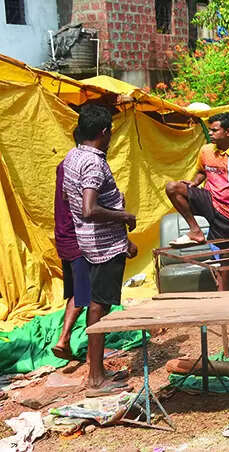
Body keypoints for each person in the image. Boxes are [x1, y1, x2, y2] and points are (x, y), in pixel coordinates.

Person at [62, 104, 138, 396]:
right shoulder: (93, 163)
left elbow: (73, 201)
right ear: (104, 132)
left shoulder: (73, 156)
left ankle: (98, 371)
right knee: (99, 307)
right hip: (104, 247)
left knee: (95, 303)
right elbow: (89, 208)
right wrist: (124, 216)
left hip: (88, 242)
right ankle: (96, 378)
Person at [165, 112, 229, 246]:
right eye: (210, 130)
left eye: (214, 130)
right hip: (209, 199)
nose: (210, 133)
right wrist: (195, 182)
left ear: (228, 132)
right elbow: (203, 171)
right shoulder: (206, 150)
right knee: (172, 188)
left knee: (224, 252)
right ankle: (195, 231)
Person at [51, 129, 92, 362]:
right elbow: (85, 205)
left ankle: (64, 341)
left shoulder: (64, 164)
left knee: (78, 291)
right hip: (78, 238)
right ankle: (65, 339)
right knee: (86, 294)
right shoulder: (80, 166)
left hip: (64, 235)